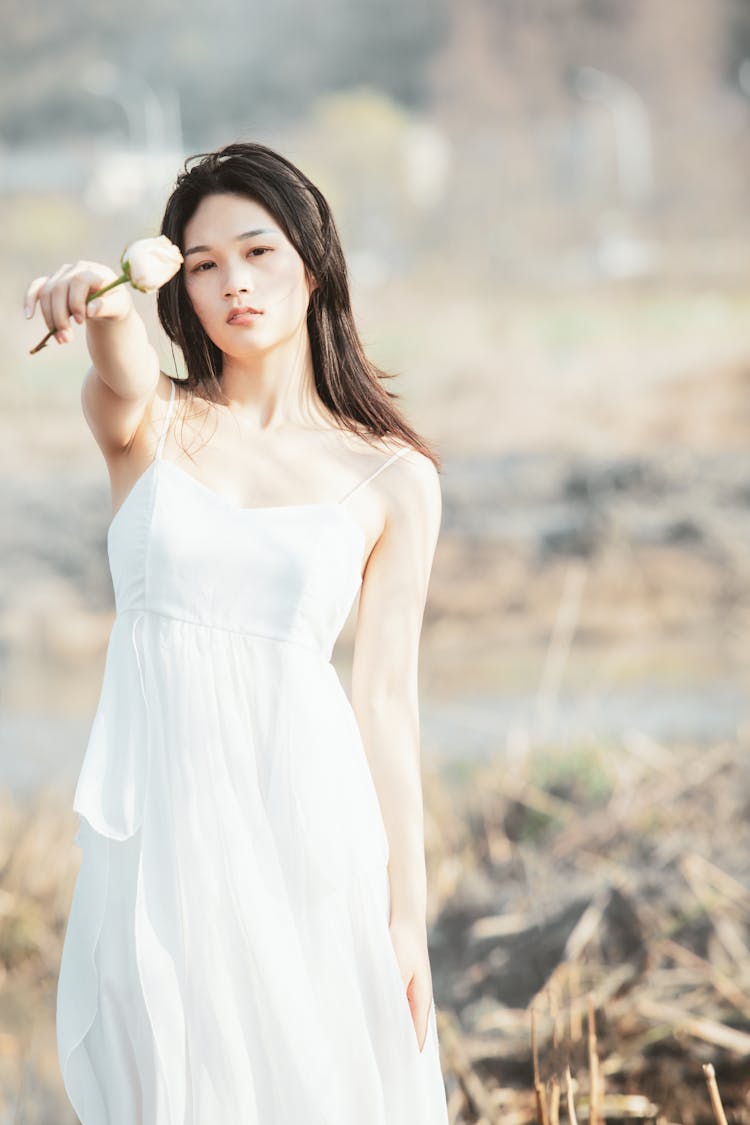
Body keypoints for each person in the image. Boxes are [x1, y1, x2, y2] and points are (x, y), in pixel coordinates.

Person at [26, 141, 449, 1123]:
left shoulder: (394, 476)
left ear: (314, 263)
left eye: (257, 253)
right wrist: (101, 296)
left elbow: (387, 705)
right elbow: (121, 368)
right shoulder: (150, 426)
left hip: (310, 845)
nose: (233, 284)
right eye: (204, 263)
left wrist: (406, 918)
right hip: (159, 851)